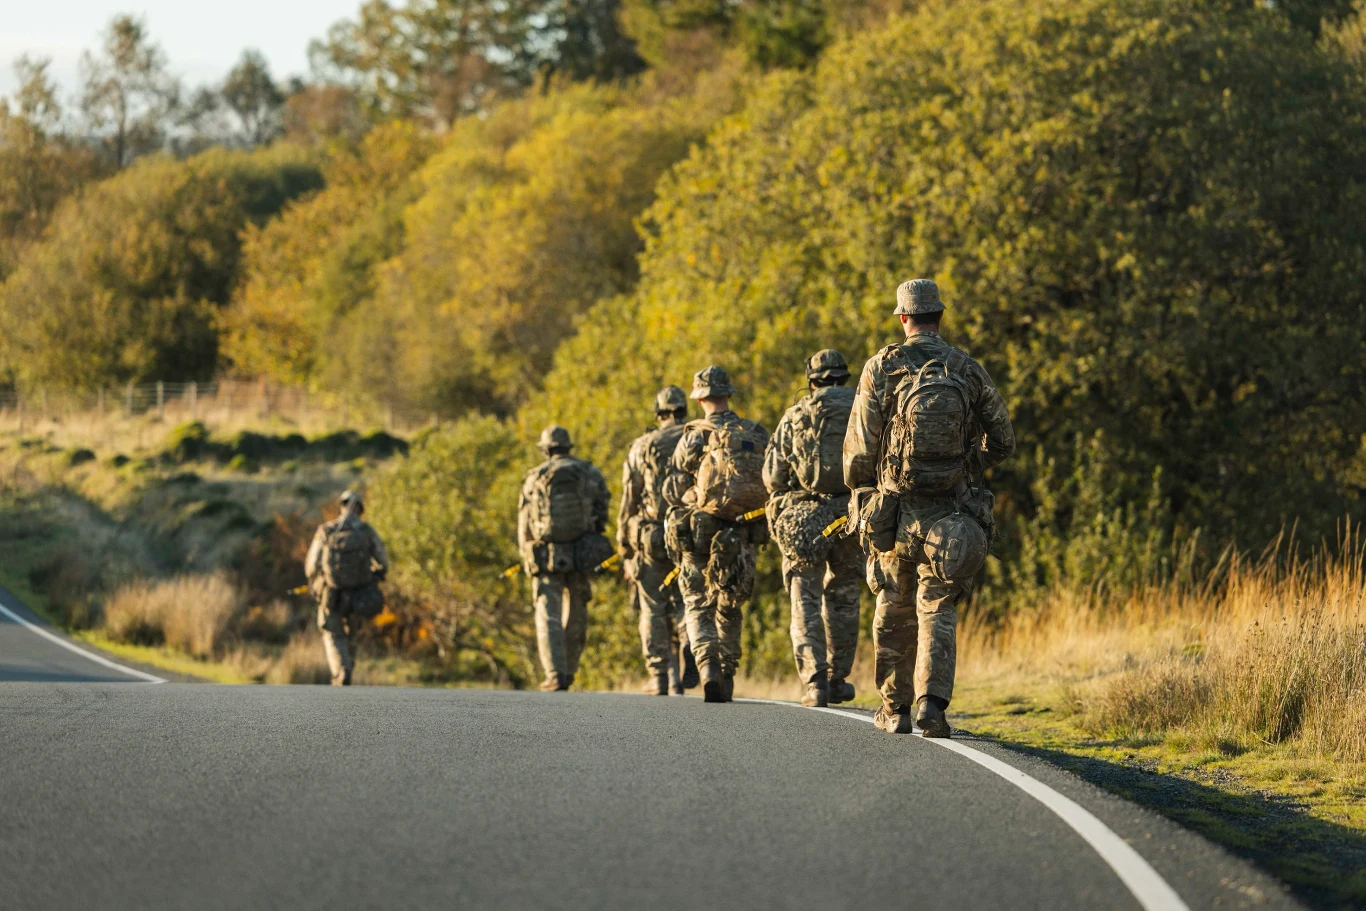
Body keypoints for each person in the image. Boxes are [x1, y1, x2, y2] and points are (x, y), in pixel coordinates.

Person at [843, 279, 1014, 737]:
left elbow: (859, 447)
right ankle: (932, 707)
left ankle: (894, 709)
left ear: (903, 317)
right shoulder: (965, 368)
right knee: (937, 606)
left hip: (895, 510)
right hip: (952, 513)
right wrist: (968, 464)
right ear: (939, 315)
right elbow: (1003, 439)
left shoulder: (883, 367)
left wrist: (865, 496)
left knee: (892, 606)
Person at [664, 366, 770, 704]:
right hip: (743, 530)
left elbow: (673, 486)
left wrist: (692, 498)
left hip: (701, 530)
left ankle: (707, 665)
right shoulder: (755, 432)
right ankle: (727, 670)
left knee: (697, 601)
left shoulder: (694, 435)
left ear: (699, 397)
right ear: (728, 393)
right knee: (731, 603)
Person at [763, 349, 861, 708]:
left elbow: (773, 477)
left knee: (804, 595)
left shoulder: (795, 414)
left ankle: (815, 682)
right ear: (844, 377)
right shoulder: (863, 406)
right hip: (853, 512)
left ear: (813, 380)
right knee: (845, 593)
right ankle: (839, 678)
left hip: (806, 518)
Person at [518, 425, 612, 691]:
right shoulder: (589, 473)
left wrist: (527, 552)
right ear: (568, 447)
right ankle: (570, 671)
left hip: (546, 552)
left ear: (546, 449)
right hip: (582, 550)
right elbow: (602, 510)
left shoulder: (535, 477)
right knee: (578, 609)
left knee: (548, 612)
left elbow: (525, 521)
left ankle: (554, 674)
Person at [618, 386, 697, 695]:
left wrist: (624, 545)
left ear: (659, 413)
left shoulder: (642, 445)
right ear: (683, 410)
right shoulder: (696, 437)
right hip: (690, 531)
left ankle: (660, 676)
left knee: (652, 605)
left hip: (651, 535)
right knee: (686, 599)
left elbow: (630, 499)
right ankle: (690, 643)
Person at [304, 490, 390, 686]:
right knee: (353, 633)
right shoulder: (367, 532)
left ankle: (341, 671)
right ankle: (348, 667)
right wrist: (376, 574)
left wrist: (315, 582)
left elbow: (311, 565)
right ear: (360, 509)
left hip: (331, 593)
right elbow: (384, 562)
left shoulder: (326, 530)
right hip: (361, 594)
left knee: (333, 633)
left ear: (340, 506)